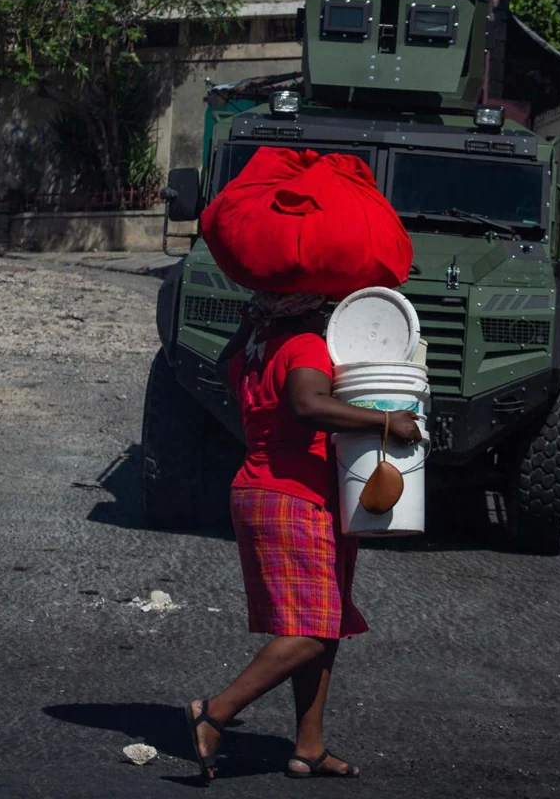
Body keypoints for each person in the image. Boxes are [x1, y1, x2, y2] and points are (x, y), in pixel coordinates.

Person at [184, 291, 423, 782]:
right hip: (296, 495)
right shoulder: (305, 344)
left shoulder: (253, 352)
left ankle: (309, 747)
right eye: (330, 304)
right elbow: (308, 405)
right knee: (318, 627)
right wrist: (386, 421)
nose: (336, 313)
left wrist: (249, 320)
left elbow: (228, 364)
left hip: (263, 490)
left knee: (320, 627)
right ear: (311, 308)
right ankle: (214, 712)